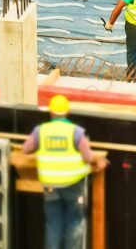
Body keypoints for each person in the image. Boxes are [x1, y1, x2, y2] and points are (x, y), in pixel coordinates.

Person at [23, 95, 108, 249]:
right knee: (74, 223)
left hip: (50, 185)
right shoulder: (75, 132)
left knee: (53, 224)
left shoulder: (40, 131)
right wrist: (99, 160)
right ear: (67, 112)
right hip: (72, 185)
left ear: (50, 112)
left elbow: (26, 149)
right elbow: (88, 157)